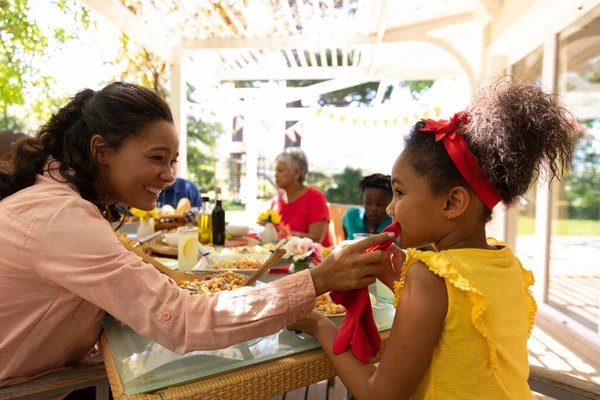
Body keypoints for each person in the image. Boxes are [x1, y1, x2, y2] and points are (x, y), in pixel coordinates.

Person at [0, 82, 395, 386]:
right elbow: (181, 322)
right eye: (156, 158)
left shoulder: (58, 201)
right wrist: (320, 278)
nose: (169, 175)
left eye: (172, 161)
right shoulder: (61, 216)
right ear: (101, 150)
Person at [289, 78, 575, 399]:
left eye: (399, 192)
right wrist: (400, 282)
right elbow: (457, 321)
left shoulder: (428, 278)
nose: (390, 208)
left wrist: (319, 325)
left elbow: (378, 394)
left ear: (452, 203)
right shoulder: (504, 261)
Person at [271, 147, 331, 247]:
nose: (275, 175)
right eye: (275, 170)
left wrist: (286, 235)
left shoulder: (315, 197)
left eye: (280, 171)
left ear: (296, 173)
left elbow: (316, 238)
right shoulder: (275, 201)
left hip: (312, 259)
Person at [342, 173, 393, 240]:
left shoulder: (394, 225)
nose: (373, 209)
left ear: (391, 203)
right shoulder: (351, 216)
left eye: (381, 204)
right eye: (368, 203)